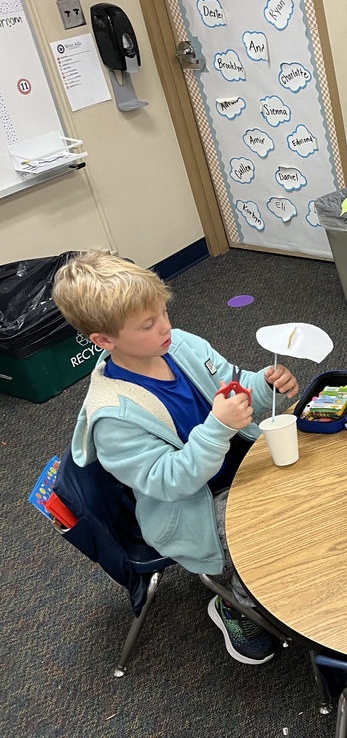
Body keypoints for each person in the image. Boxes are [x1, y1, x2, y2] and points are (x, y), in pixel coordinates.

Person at [52, 250, 299, 666]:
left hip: (239, 464)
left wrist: (263, 387)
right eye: (147, 324)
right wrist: (218, 427)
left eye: (163, 312)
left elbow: (232, 385)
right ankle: (234, 603)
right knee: (260, 532)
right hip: (190, 506)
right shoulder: (112, 417)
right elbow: (171, 481)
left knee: (311, 482)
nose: (165, 326)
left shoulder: (180, 344)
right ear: (104, 340)